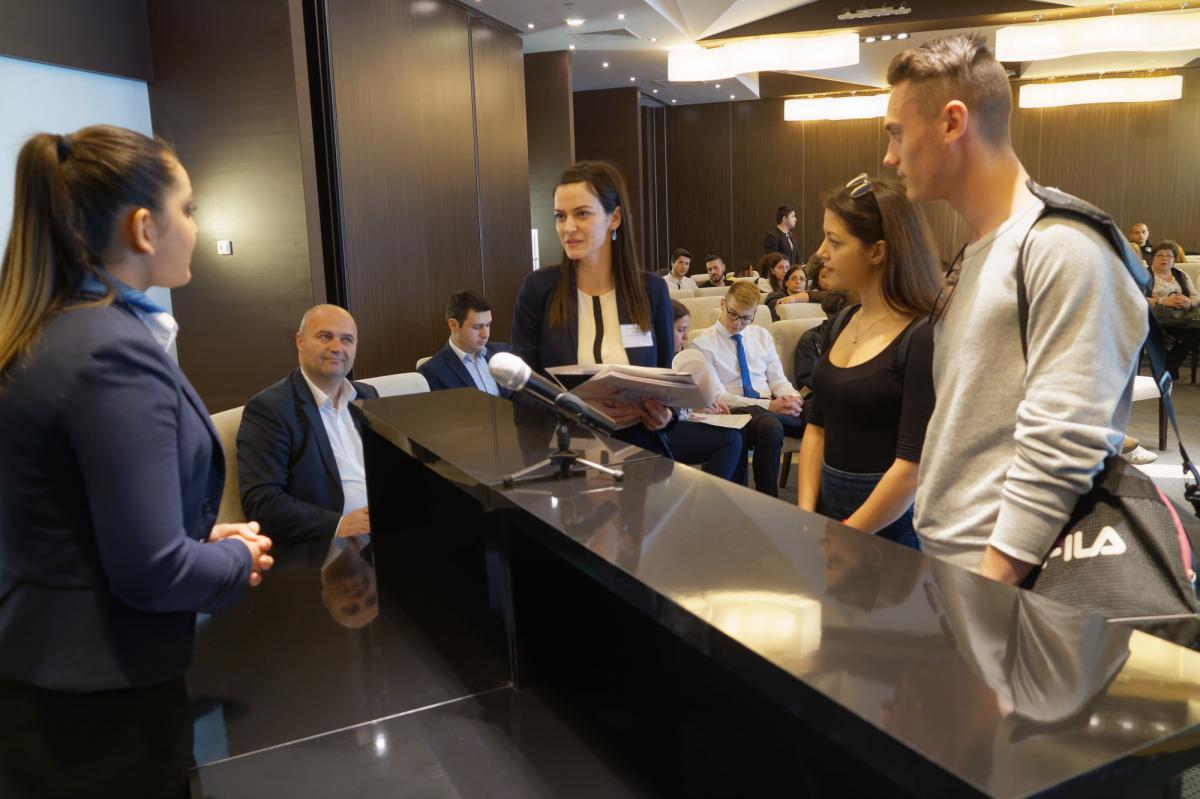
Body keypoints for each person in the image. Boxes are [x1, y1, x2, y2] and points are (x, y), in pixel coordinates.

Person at [0, 125, 273, 798]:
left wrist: (193, 534)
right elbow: (154, 570)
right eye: (189, 209)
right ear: (145, 228)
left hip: (45, 687)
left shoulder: (52, 327)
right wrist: (235, 558)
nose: (196, 227)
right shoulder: (110, 349)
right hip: (100, 715)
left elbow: (72, 517)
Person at [883, 33, 1147, 581]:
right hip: (956, 563)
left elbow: (1063, 444)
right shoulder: (982, 250)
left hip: (1010, 579)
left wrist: (990, 584)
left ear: (952, 123)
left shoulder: (1062, 247)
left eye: (897, 134)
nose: (890, 157)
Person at [512, 160, 740, 474]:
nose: (568, 227)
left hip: (639, 453)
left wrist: (665, 417)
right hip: (564, 453)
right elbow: (521, 390)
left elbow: (664, 383)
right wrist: (574, 407)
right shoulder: (538, 290)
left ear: (615, 218)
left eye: (582, 214)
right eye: (560, 216)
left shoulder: (651, 291)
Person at [795, 175, 939, 550]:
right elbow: (817, 427)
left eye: (835, 241)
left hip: (888, 524)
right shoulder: (842, 321)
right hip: (829, 511)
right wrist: (807, 514)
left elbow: (910, 468)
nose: (821, 253)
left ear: (877, 252)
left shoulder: (921, 337)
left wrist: (848, 533)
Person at [238, 305, 379, 545]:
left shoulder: (367, 395)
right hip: (329, 545)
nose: (337, 347)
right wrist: (339, 524)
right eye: (325, 336)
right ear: (300, 341)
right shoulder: (270, 409)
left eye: (347, 339)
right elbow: (261, 501)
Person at [689, 281, 805, 497]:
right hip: (732, 410)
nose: (737, 323)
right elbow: (719, 396)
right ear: (723, 304)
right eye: (733, 314)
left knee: (815, 415)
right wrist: (770, 406)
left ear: (754, 314)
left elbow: (778, 380)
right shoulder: (703, 344)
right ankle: (767, 498)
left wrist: (792, 397)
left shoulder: (761, 335)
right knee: (770, 425)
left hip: (769, 407)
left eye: (745, 318)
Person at [664, 300, 744, 477]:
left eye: (687, 330)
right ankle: (715, 492)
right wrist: (692, 410)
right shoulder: (659, 360)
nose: (686, 337)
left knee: (737, 433)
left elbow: (683, 402)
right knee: (731, 440)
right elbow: (666, 410)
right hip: (662, 430)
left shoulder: (680, 358)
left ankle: (729, 490)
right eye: (680, 330)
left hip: (677, 422)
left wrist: (702, 405)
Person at [418, 289, 511, 397]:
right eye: (477, 327)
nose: (485, 334)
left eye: (488, 325)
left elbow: (519, 394)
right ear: (453, 325)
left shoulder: (504, 351)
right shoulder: (432, 372)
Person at [1147, 240, 1200, 379]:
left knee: (1196, 330)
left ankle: (1170, 366)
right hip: (1155, 317)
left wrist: (1189, 302)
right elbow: (1136, 299)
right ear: (1152, 258)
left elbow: (1196, 296)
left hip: (1182, 317)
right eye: (1160, 255)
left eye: (1169, 256)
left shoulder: (1181, 275)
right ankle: (1170, 368)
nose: (1165, 259)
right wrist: (1162, 301)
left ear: (1174, 259)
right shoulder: (1145, 276)